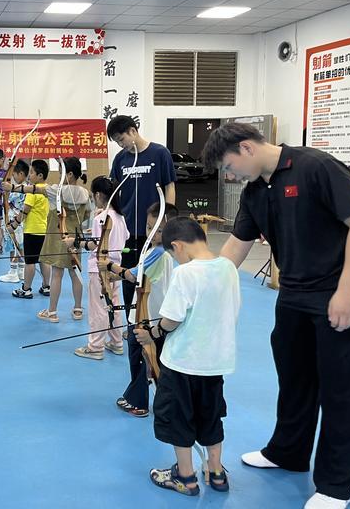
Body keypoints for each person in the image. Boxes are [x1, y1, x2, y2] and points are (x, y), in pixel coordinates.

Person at [202, 122, 350, 509]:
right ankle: (288, 452)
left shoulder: (316, 167)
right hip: (293, 297)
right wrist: (200, 286)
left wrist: (347, 290)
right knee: (295, 382)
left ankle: (336, 486)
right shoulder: (254, 191)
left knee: (342, 392)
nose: (229, 175)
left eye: (228, 166)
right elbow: (235, 248)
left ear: (246, 148)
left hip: (337, 295)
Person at [135, 216, 239, 497]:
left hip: (183, 363)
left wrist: (152, 333)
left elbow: (172, 319)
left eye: (173, 254)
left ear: (178, 245)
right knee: (211, 416)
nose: (176, 260)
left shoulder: (185, 273)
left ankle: (185, 477)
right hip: (215, 363)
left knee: (178, 417)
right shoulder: (228, 267)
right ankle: (216, 473)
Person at [100, 202, 179, 416]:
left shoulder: (160, 252)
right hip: (152, 315)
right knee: (152, 361)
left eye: (159, 230)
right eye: (149, 227)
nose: (152, 233)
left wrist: (109, 266)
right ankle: (164, 403)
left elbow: (134, 275)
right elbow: (140, 275)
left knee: (140, 360)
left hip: (146, 317)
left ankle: (138, 403)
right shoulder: (158, 250)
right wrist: (114, 276)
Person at [106, 115, 176, 323]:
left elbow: (169, 187)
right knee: (129, 277)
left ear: (133, 131)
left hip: (154, 232)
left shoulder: (160, 153)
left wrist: (167, 222)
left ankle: (152, 322)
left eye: (122, 139)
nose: (121, 144)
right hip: (128, 231)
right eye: (117, 142)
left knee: (153, 279)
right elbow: (113, 192)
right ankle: (132, 323)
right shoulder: (121, 159)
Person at [63, 175, 128, 359]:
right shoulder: (120, 217)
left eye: (93, 195)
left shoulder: (101, 218)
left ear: (98, 195)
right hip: (115, 268)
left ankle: (95, 347)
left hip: (99, 269)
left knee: (98, 308)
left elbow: (94, 245)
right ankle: (116, 343)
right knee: (114, 305)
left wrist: (74, 242)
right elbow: (124, 237)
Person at [36, 157, 91, 322]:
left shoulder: (57, 191)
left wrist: (12, 188)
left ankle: (52, 312)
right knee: (75, 273)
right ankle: (78, 309)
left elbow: (35, 189)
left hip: (59, 237)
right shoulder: (85, 193)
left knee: (57, 274)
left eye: (61, 173)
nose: (59, 176)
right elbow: (87, 214)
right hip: (75, 238)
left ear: (70, 174)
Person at [6, 160, 51, 301]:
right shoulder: (48, 189)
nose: (29, 175)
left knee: (30, 261)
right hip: (44, 229)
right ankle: (46, 286)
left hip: (32, 230)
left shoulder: (33, 191)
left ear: (40, 175)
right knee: (43, 260)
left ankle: (26, 289)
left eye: (32, 172)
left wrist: (14, 225)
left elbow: (25, 211)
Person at [0, 159, 29, 283]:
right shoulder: (26, 188)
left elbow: (7, 200)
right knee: (20, 246)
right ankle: (21, 270)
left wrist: (5, 192)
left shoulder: (21, 189)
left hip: (15, 222)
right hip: (20, 222)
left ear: (21, 174)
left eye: (14, 174)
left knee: (14, 246)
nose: (13, 177)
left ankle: (13, 273)